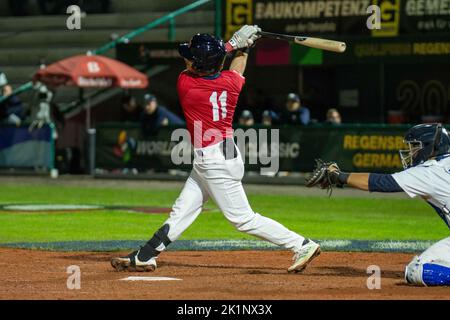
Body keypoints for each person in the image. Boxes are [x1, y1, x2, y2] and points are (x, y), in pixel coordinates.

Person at [111, 27, 320, 273]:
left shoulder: (186, 84)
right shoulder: (230, 83)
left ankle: (301, 244)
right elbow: (236, 67)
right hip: (220, 156)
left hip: (214, 162)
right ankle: (147, 254)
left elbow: (218, 60)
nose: (186, 58)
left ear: (199, 64)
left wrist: (235, 43)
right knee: (183, 209)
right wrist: (244, 47)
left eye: (190, 56)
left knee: (243, 219)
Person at [306, 123, 450, 286]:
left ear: (431, 147)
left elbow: (381, 182)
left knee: (417, 270)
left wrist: (338, 176)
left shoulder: (429, 171)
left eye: (415, 146)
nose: (411, 152)